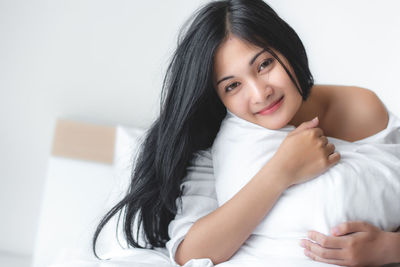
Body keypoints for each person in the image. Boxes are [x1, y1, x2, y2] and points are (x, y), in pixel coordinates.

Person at [92, 0, 400, 266]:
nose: (259, 93)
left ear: (287, 48)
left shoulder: (361, 107)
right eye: (232, 85)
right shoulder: (217, 146)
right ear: (219, 96)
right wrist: (281, 171)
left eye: (264, 64)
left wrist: (388, 248)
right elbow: (192, 252)